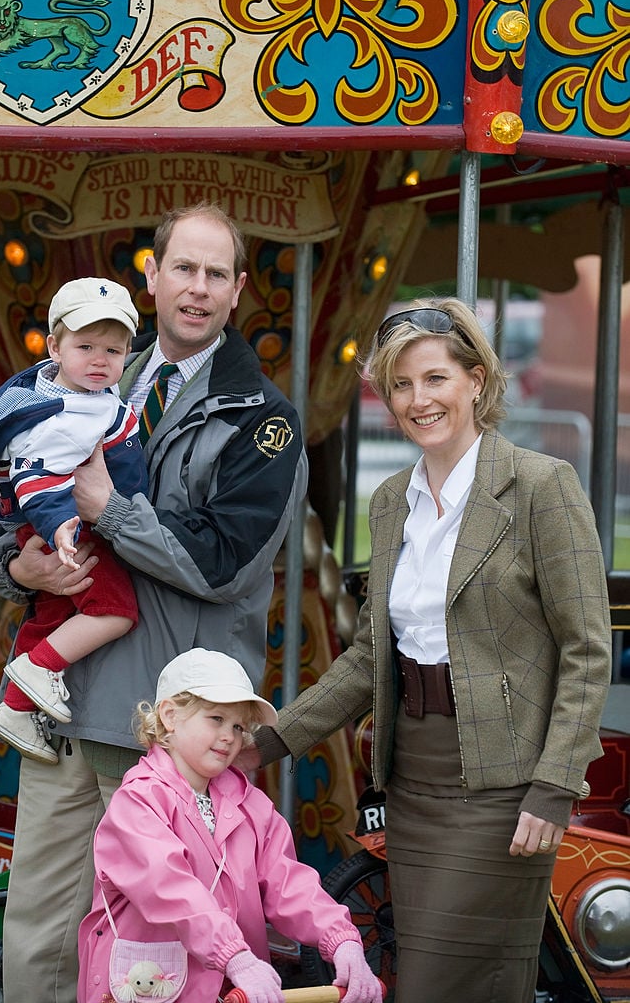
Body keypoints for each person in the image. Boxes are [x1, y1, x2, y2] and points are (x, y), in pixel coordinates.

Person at [0, 202, 309, 1003]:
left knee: (159, 956)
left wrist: (106, 512)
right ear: (152, 278)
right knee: (38, 937)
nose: (197, 289)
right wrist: (20, 569)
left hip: (169, 731)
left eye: (216, 274)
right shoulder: (69, 384)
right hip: (65, 709)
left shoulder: (264, 422)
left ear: (237, 294)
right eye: (183, 269)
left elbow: (224, 563)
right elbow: (0, 522)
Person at [243, 297, 612, 1003]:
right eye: (401, 384)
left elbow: (588, 650)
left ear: (476, 380)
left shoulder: (539, 486)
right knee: (424, 980)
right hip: (413, 782)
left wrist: (554, 785)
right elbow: (367, 658)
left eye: (436, 378)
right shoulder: (390, 503)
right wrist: (268, 742)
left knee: (450, 984)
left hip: (504, 787)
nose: (419, 400)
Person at [77, 648, 382, 1003]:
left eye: (238, 726)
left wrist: (341, 939)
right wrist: (234, 955)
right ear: (170, 715)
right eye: (216, 718)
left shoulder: (251, 804)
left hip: (234, 987)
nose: (229, 736)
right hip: (154, 986)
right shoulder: (138, 800)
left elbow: (289, 882)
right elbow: (169, 887)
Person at [0, 278, 147, 764]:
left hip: (66, 523)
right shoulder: (61, 414)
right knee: (116, 610)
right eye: (86, 347)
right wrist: (59, 526)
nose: (100, 360)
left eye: (114, 350)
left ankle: (15, 708)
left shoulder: (82, 393)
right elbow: (34, 477)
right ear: (54, 347)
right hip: (68, 526)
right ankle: (38, 669)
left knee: (53, 613)